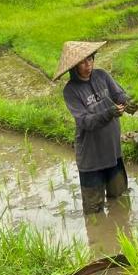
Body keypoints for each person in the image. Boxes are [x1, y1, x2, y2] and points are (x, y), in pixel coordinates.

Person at [54, 40, 131, 215]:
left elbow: (118, 93)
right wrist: (110, 112)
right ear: (74, 67)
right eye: (83, 62)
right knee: (94, 210)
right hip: (92, 158)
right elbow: (85, 121)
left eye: (90, 59)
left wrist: (127, 101)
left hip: (113, 152)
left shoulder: (102, 76)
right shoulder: (71, 91)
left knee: (120, 199)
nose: (88, 65)